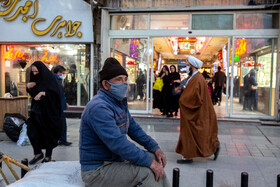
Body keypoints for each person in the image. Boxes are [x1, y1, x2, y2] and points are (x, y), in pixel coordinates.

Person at [79, 57, 170, 187]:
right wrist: (150, 163)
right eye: (118, 79)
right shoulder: (99, 107)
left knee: (155, 159)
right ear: (105, 84)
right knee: (147, 171)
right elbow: (118, 143)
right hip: (97, 170)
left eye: (125, 79)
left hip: (113, 161)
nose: (124, 83)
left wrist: (155, 148)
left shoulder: (118, 102)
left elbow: (133, 128)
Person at [174, 56, 220, 164]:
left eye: (188, 64)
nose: (187, 66)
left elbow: (194, 96)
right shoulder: (196, 77)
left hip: (195, 112)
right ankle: (211, 147)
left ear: (193, 66)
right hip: (196, 111)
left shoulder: (197, 79)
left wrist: (182, 98)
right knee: (197, 134)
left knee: (192, 133)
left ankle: (188, 156)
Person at [26, 61, 63, 164]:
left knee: (48, 134)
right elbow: (33, 94)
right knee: (32, 131)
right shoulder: (34, 79)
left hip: (48, 113)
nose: (34, 74)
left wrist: (43, 93)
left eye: (36, 71)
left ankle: (48, 156)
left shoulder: (50, 79)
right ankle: (38, 153)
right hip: (36, 112)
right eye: (32, 71)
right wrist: (28, 87)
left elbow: (55, 95)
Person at [53, 65, 72, 146]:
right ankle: (61, 139)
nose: (63, 75)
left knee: (61, 123)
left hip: (58, 105)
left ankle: (61, 139)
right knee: (61, 123)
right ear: (58, 72)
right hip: (57, 106)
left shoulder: (57, 80)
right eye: (63, 73)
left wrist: (65, 102)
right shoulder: (55, 80)